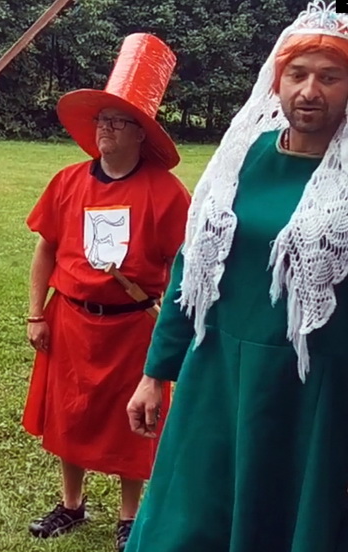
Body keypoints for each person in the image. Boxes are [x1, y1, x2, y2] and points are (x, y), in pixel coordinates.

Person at [125, 3, 348, 551]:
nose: (310, 91)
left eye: (330, 77)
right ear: (277, 81)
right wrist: (155, 373)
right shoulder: (240, 159)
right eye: (297, 75)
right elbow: (193, 268)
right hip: (216, 373)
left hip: (310, 389)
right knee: (189, 521)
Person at [21, 33, 190, 551]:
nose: (106, 130)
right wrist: (35, 313)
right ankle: (71, 505)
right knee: (69, 414)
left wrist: (171, 327)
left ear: (141, 134)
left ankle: (129, 517)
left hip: (134, 326)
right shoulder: (68, 182)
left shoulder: (165, 192)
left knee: (133, 422)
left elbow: (182, 266)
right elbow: (46, 249)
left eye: (118, 122)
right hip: (71, 319)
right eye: (102, 120)